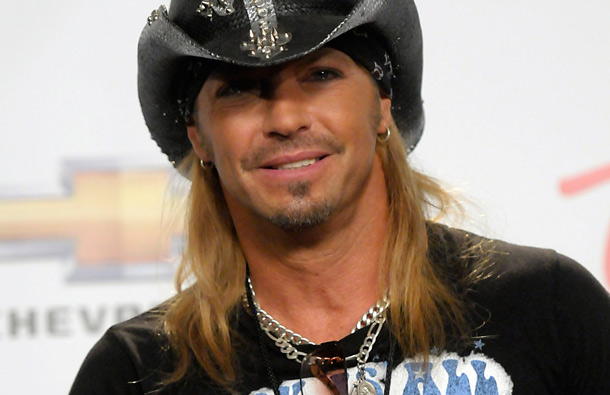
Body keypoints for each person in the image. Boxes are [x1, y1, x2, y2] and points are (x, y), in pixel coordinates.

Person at [70, 1, 610, 394]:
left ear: (381, 105)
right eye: (237, 88)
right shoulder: (137, 374)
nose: (285, 119)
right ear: (199, 137)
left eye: (321, 75)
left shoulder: (548, 309)